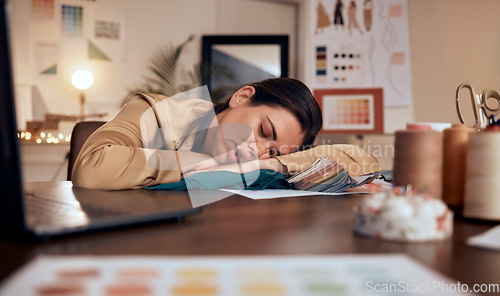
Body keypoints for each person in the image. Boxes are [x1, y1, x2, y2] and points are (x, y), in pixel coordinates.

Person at [72, 78, 323, 190]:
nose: (257, 151)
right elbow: (91, 167)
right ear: (242, 97)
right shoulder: (155, 111)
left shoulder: (256, 166)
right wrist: (204, 162)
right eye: (263, 130)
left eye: (273, 151)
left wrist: (277, 163)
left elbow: (339, 156)